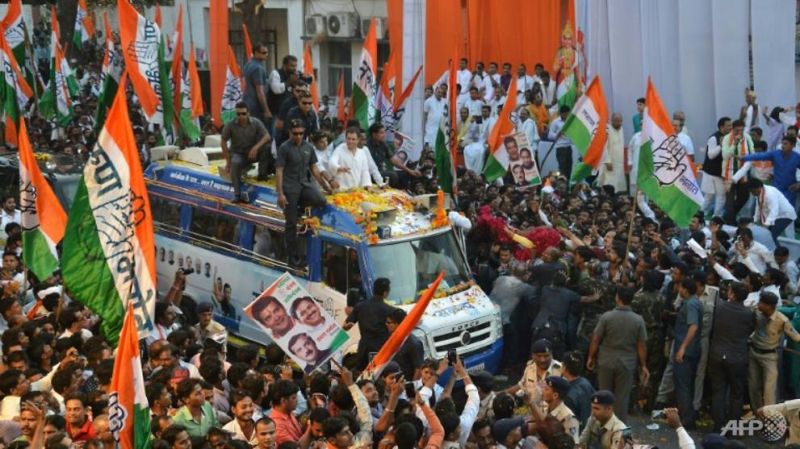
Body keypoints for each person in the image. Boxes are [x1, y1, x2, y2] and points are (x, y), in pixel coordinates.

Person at [275, 119, 333, 267]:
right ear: (290, 133)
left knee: (321, 200)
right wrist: (280, 194)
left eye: (301, 133)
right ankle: (292, 257)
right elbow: (279, 171)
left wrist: (325, 186)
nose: (298, 136)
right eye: (295, 133)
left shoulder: (308, 147)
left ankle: (299, 207)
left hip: (304, 184)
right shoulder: (284, 148)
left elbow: (314, 169)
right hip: (290, 187)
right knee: (291, 224)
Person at [586, 286, 648, 423]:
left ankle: (600, 425)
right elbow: (641, 345)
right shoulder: (638, 320)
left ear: (617, 298)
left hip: (606, 360)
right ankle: (619, 430)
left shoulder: (607, 317)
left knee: (603, 395)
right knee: (622, 398)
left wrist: (591, 357)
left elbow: (596, 338)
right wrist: (643, 365)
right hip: (627, 362)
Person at [708, 282, 755, 433]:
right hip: (737, 357)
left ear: (732, 294)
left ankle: (718, 426)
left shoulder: (720, 307)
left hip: (717, 354)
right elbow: (750, 330)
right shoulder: (749, 314)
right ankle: (733, 429)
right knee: (737, 393)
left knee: (718, 391)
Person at [749, 291, 800, 411]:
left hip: (769, 357)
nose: (758, 304)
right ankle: (758, 414)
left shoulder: (781, 320)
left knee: (769, 390)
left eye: (761, 302)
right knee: (753, 386)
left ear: (769, 306)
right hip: (754, 353)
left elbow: (796, 337)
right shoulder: (755, 312)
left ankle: (770, 419)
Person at [220, 102, 271, 203]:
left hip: (253, 153)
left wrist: (256, 147)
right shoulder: (230, 125)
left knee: (267, 148)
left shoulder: (256, 122)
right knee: (235, 162)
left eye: (243, 113)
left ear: (248, 113)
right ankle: (237, 194)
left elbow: (267, 136)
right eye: (238, 114)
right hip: (239, 154)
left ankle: (262, 175)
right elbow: (223, 142)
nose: (241, 116)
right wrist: (228, 161)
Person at [344, 278, 396, 370]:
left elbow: (345, 326)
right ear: (385, 293)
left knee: (361, 375)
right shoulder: (389, 310)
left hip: (364, 349)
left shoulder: (360, 306)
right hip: (381, 350)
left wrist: (348, 325)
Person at [671, 278, 702, 429]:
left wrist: (682, 348)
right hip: (688, 349)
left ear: (685, 289)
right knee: (684, 384)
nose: (678, 290)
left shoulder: (691, 305)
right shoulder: (692, 303)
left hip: (686, 351)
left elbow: (693, 326)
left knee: (683, 385)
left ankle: (686, 420)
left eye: (680, 287)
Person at [242, 42, 273, 179]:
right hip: (256, 107)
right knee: (264, 138)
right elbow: (260, 91)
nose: (266, 55)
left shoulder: (249, 64)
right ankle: (263, 171)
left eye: (267, 52)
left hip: (249, 104)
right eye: (263, 52)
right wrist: (266, 109)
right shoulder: (258, 68)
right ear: (256, 52)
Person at [742, 135, 800, 206]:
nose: (783, 146)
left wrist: (798, 184)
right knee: (774, 209)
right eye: (782, 143)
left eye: (786, 144)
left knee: (788, 212)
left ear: (793, 145)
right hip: (776, 188)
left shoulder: (797, 157)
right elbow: (760, 155)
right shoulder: (776, 154)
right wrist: (744, 157)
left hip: (790, 190)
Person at [747, 178, 797, 245]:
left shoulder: (770, 193)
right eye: (751, 192)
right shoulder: (759, 192)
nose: (752, 194)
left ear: (758, 187)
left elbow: (774, 211)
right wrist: (755, 221)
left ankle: (779, 254)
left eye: (753, 191)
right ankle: (774, 252)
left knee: (771, 236)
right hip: (777, 216)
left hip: (785, 215)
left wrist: (766, 225)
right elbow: (758, 208)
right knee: (767, 235)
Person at [722, 119, 753, 224]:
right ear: (732, 129)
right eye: (737, 130)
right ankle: (731, 222)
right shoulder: (727, 138)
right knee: (729, 202)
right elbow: (725, 156)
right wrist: (734, 144)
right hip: (728, 174)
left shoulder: (747, 137)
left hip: (743, 174)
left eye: (741, 130)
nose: (739, 133)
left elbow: (752, 154)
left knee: (745, 197)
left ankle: (727, 217)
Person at [385, 308, 423, 380]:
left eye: (389, 322)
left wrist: (412, 386)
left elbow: (418, 368)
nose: (386, 324)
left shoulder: (414, 344)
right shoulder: (391, 338)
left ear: (398, 324)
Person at [597, 113, 627, 193]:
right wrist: (607, 161)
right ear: (612, 121)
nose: (619, 123)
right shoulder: (607, 130)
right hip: (609, 163)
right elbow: (603, 147)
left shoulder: (621, 129)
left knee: (617, 186)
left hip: (619, 163)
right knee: (608, 184)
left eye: (620, 121)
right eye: (617, 121)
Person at [549, 105, 574, 180]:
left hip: (569, 147)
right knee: (562, 168)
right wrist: (557, 134)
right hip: (560, 148)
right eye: (566, 113)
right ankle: (561, 185)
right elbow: (549, 135)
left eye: (568, 113)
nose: (567, 115)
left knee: (569, 168)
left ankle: (567, 186)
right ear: (561, 113)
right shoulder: (555, 122)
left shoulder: (569, 122)